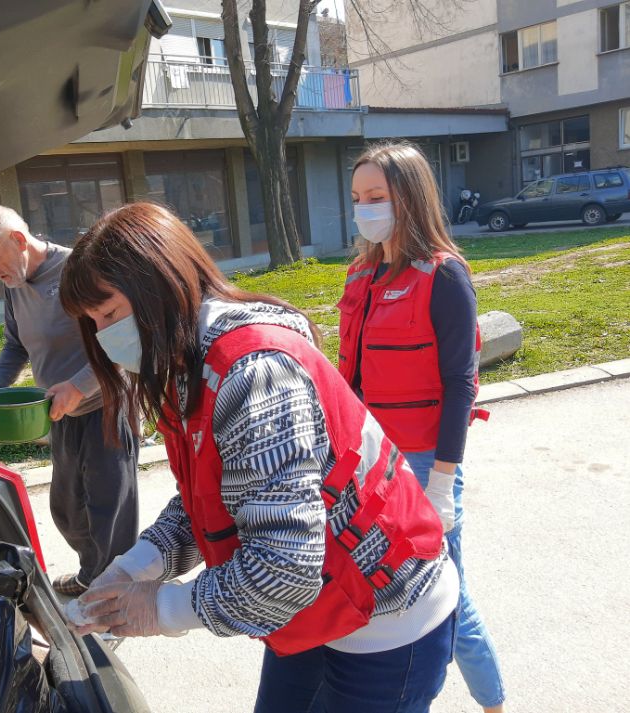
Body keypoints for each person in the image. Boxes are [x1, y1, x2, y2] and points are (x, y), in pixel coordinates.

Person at [58, 202, 459, 713]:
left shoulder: (254, 375)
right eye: (93, 322)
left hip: (386, 618)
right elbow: (211, 499)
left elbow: (284, 567)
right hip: (316, 605)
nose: (104, 335)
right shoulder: (187, 363)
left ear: (158, 282)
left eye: (110, 314)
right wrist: (135, 567)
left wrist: (161, 608)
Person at [337, 142, 506, 713]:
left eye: (376, 197)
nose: (364, 209)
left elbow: (461, 384)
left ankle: (493, 703)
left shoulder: (444, 275)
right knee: (384, 591)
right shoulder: (361, 274)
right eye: (357, 197)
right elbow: (352, 377)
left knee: (448, 597)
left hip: (424, 462)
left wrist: (441, 483)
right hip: (370, 461)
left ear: (409, 198)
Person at [0, 205, 138, 597]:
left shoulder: (79, 269)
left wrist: (78, 386)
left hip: (105, 404)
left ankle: (114, 594)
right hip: (58, 410)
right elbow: (15, 345)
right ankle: (94, 573)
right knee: (68, 509)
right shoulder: (13, 284)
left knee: (109, 510)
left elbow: (122, 340)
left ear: (18, 240)